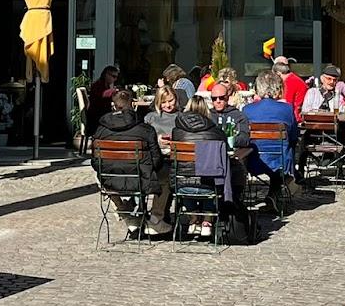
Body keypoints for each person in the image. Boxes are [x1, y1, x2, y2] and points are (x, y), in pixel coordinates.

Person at [92, 88, 172, 236]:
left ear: (113, 106)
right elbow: (156, 160)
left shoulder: (101, 131)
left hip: (111, 180)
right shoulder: (145, 130)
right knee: (166, 177)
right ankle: (155, 219)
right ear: (133, 105)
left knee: (99, 178)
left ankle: (125, 212)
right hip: (141, 179)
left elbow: (95, 162)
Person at [170, 94, 229, 237]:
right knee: (211, 175)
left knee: (187, 174)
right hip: (209, 187)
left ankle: (193, 218)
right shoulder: (216, 132)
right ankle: (207, 221)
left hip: (182, 186)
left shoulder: (177, 132)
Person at [243, 70, 299, 202]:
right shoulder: (287, 109)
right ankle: (276, 191)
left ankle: (273, 194)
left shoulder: (247, 110)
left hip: (254, 160)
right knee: (289, 146)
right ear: (278, 88)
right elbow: (294, 136)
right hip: (281, 160)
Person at [87, 65, 120, 135]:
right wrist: (113, 92)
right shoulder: (98, 86)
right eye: (114, 76)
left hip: (100, 116)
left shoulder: (104, 85)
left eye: (116, 77)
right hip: (97, 118)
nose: (115, 79)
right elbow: (102, 97)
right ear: (106, 75)